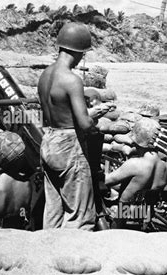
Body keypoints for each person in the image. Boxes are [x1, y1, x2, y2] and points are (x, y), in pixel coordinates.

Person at [37, 22, 113, 230]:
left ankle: (48, 255)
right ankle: (72, 260)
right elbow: (84, 123)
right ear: (79, 52)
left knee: (53, 210)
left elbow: (52, 113)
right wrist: (94, 115)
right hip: (69, 145)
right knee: (79, 216)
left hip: (49, 140)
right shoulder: (72, 80)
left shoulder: (45, 75)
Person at [104, 118, 167, 228]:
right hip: (144, 217)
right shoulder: (163, 166)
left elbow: (106, 181)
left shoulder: (135, 164)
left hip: (123, 216)